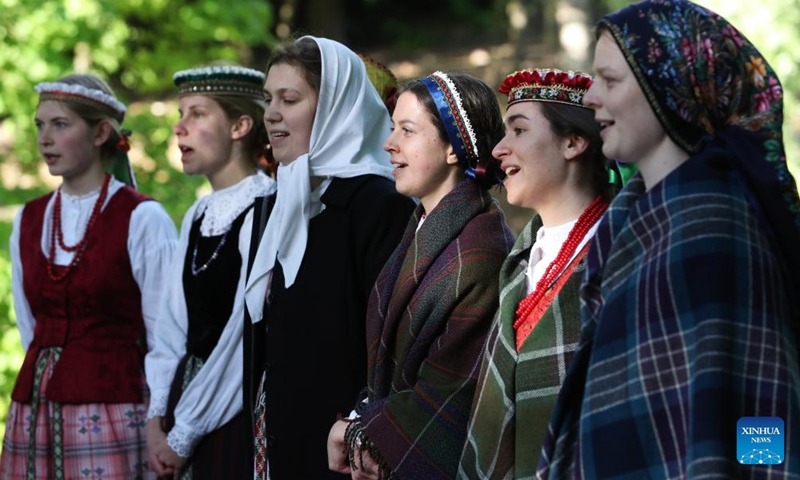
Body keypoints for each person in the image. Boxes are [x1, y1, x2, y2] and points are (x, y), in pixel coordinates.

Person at [538, 0, 800, 477]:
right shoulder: (629, 221)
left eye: (610, 80)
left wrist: (763, 470)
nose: (591, 96)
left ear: (672, 88)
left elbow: (762, 403)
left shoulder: (713, 223)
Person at [327, 71, 515, 480]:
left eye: (407, 130)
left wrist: (359, 433)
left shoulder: (480, 252)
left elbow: (452, 395)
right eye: (393, 128)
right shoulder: (424, 224)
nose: (389, 144)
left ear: (453, 147)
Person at [243, 36, 415, 480]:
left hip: (342, 452)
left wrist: (358, 429)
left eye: (290, 99)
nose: (272, 113)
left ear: (335, 106)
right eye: (268, 99)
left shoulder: (377, 203)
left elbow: (388, 345)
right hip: (278, 440)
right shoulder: (284, 199)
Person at [0, 74, 177, 479]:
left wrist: (159, 420)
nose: (45, 138)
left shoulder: (142, 217)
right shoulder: (30, 219)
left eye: (61, 125)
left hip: (115, 408)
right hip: (34, 413)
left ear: (100, 132)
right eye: (39, 125)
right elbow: (31, 326)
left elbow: (165, 333)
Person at [458, 68, 612, 479]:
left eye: (519, 131)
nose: (498, 150)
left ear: (573, 142)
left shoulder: (620, 257)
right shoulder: (520, 261)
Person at [143, 65, 276, 479]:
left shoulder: (265, 208)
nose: (179, 128)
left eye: (196, 114)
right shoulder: (199, 212)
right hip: (185, 402)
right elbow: (171, 323)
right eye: (180, 115)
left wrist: (185, 434)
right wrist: (157, 416)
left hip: (232, 406)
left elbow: (243, 336)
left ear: (240, 125)